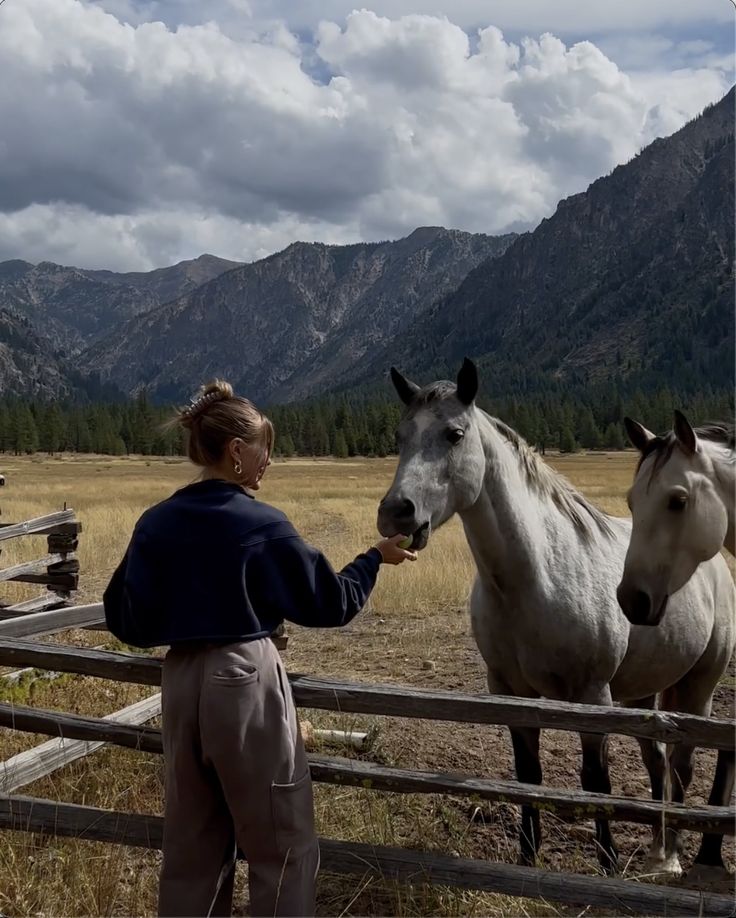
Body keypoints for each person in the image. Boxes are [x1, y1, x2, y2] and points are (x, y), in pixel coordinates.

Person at [103, 380, 416, 918]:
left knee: (191, 852)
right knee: (282, 842)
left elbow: (123, 616)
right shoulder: (261, 524)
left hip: (179, 683)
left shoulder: (155, 523)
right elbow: (330, 603)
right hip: (244, 680)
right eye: (264, 447)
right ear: (236, 452)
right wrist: (373, 559)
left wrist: (188, 620)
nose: (269, 459)